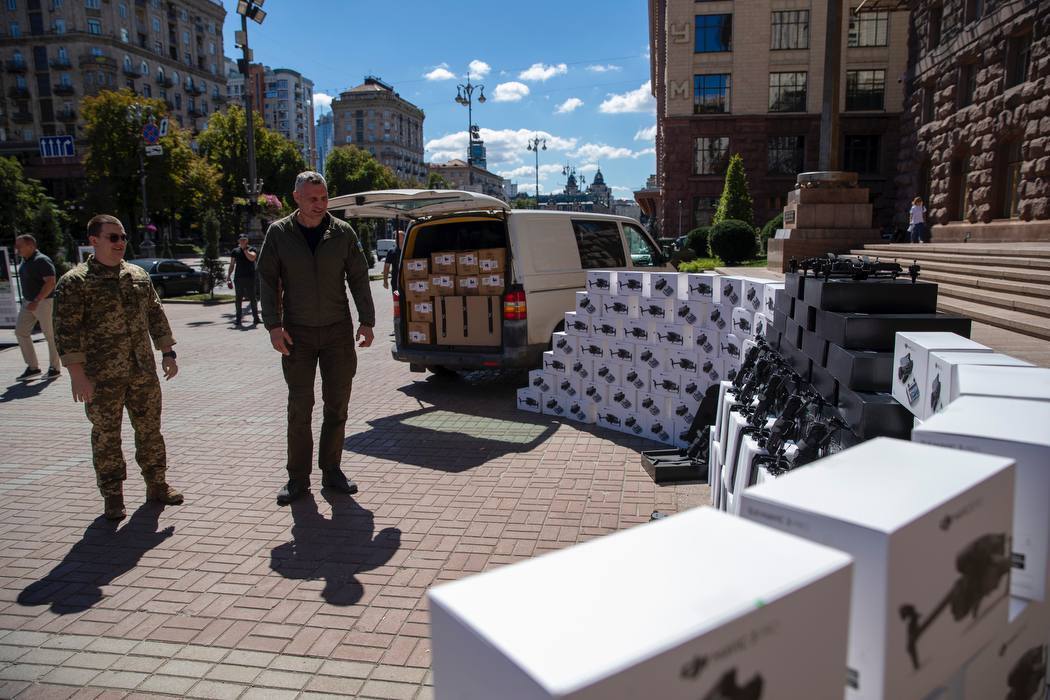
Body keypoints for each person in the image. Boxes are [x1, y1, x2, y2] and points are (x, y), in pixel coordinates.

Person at [52, 214, 184, 521]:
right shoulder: (75, 283)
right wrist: (77, 376)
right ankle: (113, 496)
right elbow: (66, 332)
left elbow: (155, 315)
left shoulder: (137, 275)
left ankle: (157, 484)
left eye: (123, 237)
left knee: (150, 431)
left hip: (142, 372)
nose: (121, 242)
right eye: (113, 237)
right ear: (93, 241)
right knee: (106, 436)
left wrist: (168, 353)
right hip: (101, 378)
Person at [257, 171, 375, 505]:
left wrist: (367, 321)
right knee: (300, 407)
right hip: (298, 334)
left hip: (338, 331)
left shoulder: (342, 233)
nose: (319, 204)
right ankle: (297, 478)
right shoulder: (279, 233)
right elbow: (267, 280)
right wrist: (273, 325)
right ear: (296, 197)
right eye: (312, 198)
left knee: (337, 405)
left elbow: (358, 276)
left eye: (323, 198)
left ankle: (332, 470)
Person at [13, 234, 62, 381]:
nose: (17, 249)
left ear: (30, 245)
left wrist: (37, 299)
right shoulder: (25, 260)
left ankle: (55, 368)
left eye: (19, 246)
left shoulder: (41, 260)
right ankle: (33, 367)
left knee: (50, 335)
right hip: (28, 302)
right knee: (20, 331)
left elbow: (51, 282)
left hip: (44, 302)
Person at [227, 233, 261, 325]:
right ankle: (238, 319)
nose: (242, 241)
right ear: (238, 241)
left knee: (253, 298)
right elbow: (232, 264)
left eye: (244, 239)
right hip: (238, 278)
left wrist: (245, 250)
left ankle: (256, 318)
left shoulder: (252, 249)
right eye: (241, 240)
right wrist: (228, 276)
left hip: (250, 277)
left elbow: (252, 258)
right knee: (238, 299)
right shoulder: (235, 251)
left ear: (247, 240)